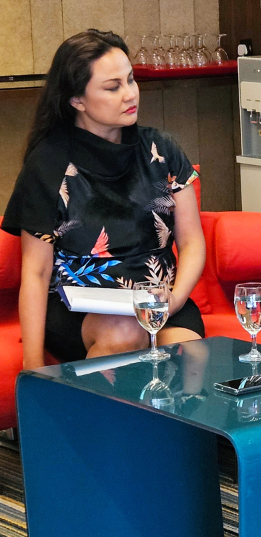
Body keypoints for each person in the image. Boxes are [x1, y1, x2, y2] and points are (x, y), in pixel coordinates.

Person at [2, 29, 206, 371]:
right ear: (76, 100)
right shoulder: (49, 164)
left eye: (131, 80)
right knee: (125, 334)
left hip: (161, 300)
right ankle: (90, 422)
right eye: (113, 87)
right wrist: (33, 366)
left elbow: (192, 241)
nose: (130, 95)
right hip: (79, 308)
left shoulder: (161, 149)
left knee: (191, 364)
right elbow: (36, 272)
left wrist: (174, 300)